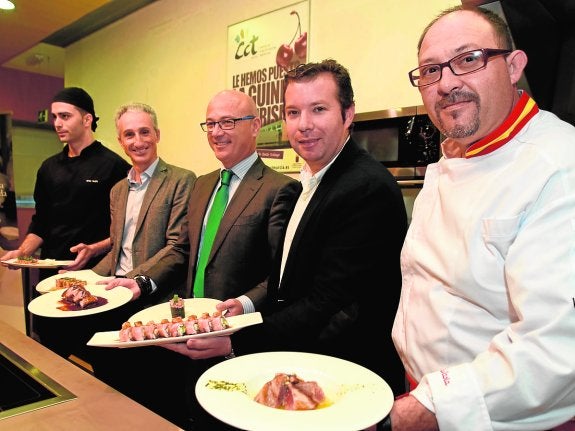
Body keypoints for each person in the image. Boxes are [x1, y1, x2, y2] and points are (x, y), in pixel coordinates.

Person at [371, 6, 575, 431]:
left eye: (469, 59)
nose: (446, 83)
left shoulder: (559, 166)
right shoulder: (451, 155)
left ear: (514, 66)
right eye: (430, 70)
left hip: (499, 417)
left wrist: (418, 410)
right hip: (420, 391)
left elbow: (554, 349)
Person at [163, 59, 408, 407]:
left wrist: (239, 341)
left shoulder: (364, 186)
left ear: (348, 114)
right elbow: (290, 284)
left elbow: (330, 302)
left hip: (343, 383)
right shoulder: (309, 180)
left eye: (319, 109)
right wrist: (246, 309)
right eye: (293, 113)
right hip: (302, 364)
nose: (304, 125)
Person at [98, 89, 295, 429]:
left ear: (256, 126)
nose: (217, 131)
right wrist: (142, 282)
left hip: (237, 338)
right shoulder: (203, 185)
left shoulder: (280, 188)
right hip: (191, 331)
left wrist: (246, 305)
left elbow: (282, 273)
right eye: (211, 123)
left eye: (229, 122)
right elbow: (182, 249)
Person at [38, 102, 196, 364]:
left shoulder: (181, 180)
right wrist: (85, 278)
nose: (138, 141)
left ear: (157, 135)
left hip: (151, 297)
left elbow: (176, 246)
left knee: (146, 384)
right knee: (106, 371)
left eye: (145, 132)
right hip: (113, 297)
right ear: (121, 141)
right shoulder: (118, 190)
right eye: (129, 135)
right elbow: (119, 248)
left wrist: (130, 280)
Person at [1, 87, 131, 339]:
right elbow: (41, 223)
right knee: (51, 348)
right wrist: (23, 254)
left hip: (95, 276)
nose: (57, 123)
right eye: (54, 117)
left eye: (65, 116)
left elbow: (125, 229)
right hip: (52, 277)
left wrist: (95, 248)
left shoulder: (114, 166)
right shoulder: (48, 168)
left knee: (97, 354)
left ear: (87, 119)